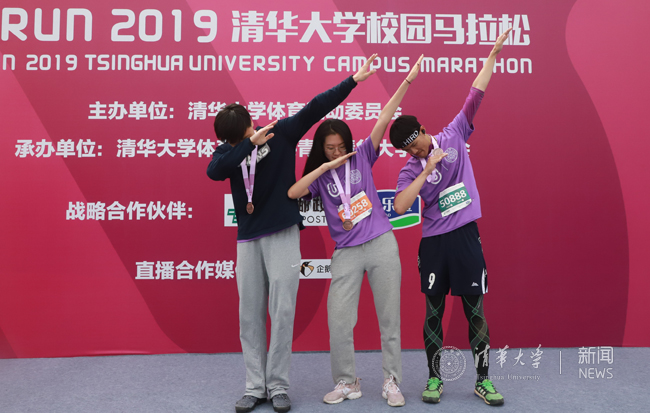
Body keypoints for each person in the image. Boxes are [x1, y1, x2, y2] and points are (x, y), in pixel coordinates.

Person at [206, 56, 377, 413]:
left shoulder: (281, 132)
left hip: (283, 233)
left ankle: (278, 385)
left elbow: (316, 107)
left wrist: (353, 81)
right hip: (248, 240)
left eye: (239, 136)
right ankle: (255, 387)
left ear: (251, 122)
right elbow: (215, 171)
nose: (233, 143)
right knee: (249, 315)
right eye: (230, 141)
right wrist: (247, 145)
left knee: (282, 311)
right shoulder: (230, 150)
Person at [288, 55, 425, 408]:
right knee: (339, 321)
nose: (337, 152)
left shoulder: (363, 155)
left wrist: (407, 82)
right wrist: (324, 167)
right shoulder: (320, 177)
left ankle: (392, 381)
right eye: (330, 148)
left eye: (341, 147)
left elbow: (384, 118)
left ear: (349, 144)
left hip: (381, 243)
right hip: (346, 252)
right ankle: (347, 381)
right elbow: (294, 192)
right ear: (322, 149)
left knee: (389, 319)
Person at [389, 28, 512, 406]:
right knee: (434, 312)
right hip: (434, 243)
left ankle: (483, 380)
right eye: (408, 150)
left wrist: (492, 55)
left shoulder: (455, 133)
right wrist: (426, 169)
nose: (415, 151)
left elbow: (475, 94)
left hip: (465, 236)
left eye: (416, 143)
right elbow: (400, 206)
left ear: (424, 130)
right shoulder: (410, 171)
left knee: (475, 309)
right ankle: (434, 378)